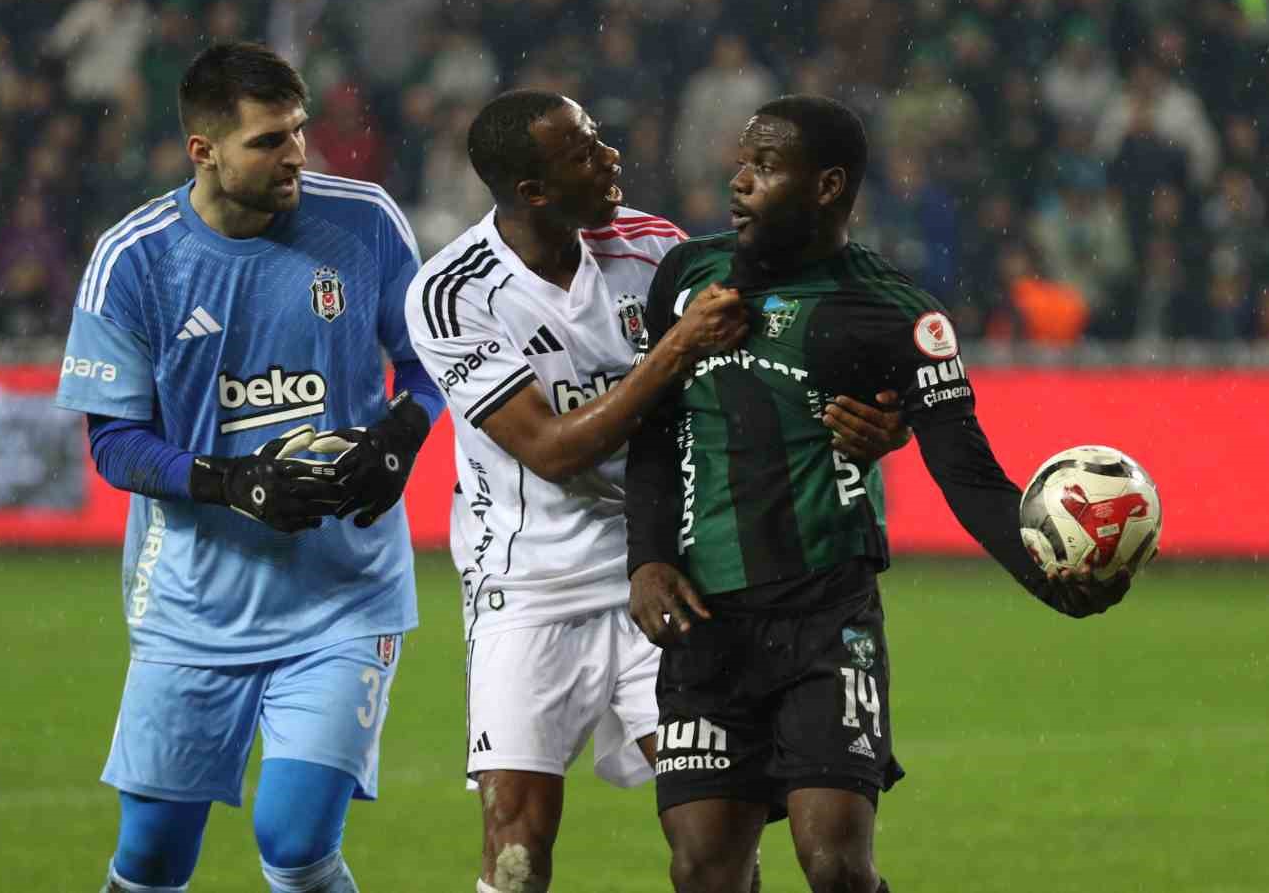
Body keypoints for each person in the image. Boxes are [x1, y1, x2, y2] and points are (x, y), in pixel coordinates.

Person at [626, 95, 1133, 893]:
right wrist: (648, 560)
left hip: (827, 617)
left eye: (765, 166)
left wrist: (1050, 579)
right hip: (706, 619)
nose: (739, 181)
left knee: (835, 864)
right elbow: (654, 431)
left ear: (828, 186)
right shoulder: (687, 276)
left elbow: (967, 473)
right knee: (703, 870)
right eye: (742, 163)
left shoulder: (898, 315)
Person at [404, 89, 907, 893]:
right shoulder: (452, 291)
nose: (611, 158)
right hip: (529, 586)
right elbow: (553, 451)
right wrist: (672, 349)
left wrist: (880, 421)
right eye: (583, 154)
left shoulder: (656, 249)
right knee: (516, 850)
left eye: (599, 137)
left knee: (715, 849)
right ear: (533, 191)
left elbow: (769, 379)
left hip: (671, 573)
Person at [56, 40, 445, 893]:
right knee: (153, 856)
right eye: (269, 141)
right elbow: (115, 442)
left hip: (344, 594)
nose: (296, 153)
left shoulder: (365, 222)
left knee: (296, 841)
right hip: (194, 603)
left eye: (298, 130)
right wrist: (228, 483)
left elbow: (429, 364)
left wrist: (400, 437)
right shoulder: (135, 260)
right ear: (204, 151)